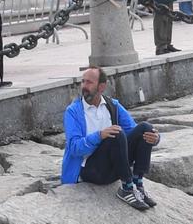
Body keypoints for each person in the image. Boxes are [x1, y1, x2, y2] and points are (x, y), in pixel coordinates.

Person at [59, 66, 160, 208]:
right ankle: (126, 187)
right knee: (116, 134)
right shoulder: (73, 112)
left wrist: (155, 138)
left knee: (145, 128)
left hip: (114, 166)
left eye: (89, 82)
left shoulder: (113, 105)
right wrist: (100, 136)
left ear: (101, 86)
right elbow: (75, 148)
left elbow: (134, 131)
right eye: (83, 82)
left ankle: (137, 183)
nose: (84, 86)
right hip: (91, 170)